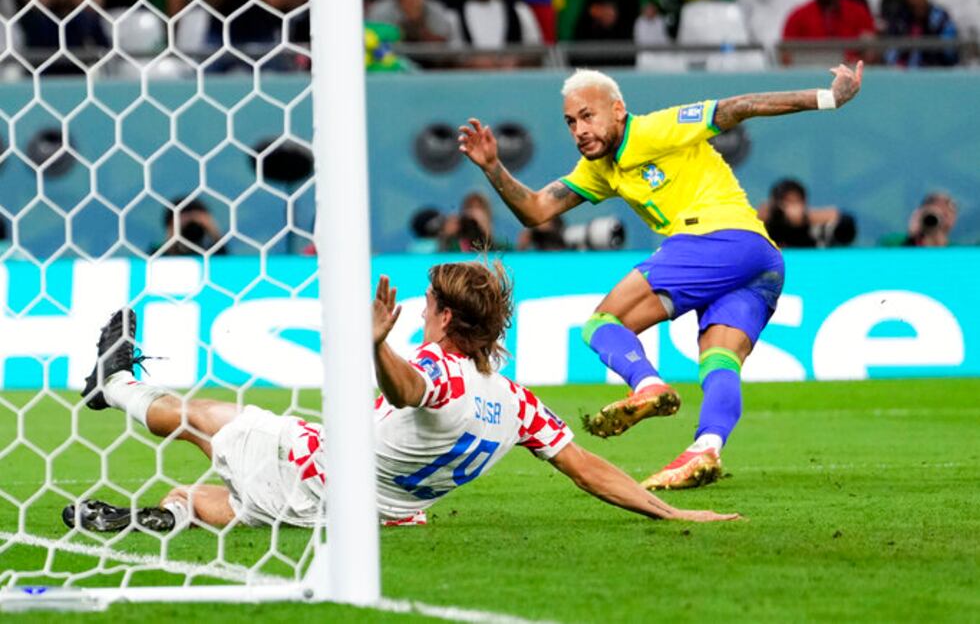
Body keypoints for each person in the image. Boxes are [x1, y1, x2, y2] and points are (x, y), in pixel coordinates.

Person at [67, 272, 739, 531]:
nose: (422, 312)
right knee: (207, 497)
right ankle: (165, 518)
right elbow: (587, 466)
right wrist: (668, 507)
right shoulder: (517, 404)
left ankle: (114, 385)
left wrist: (376, 347)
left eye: (429, 306)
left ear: (444, 318)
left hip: (317, 470)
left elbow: (411, 389)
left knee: (208, 419)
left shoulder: (431, 371)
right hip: (370, 517)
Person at [458, 62, 864, 489]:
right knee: (719, 360)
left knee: (602, 323)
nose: (579, 130)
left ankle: (648, 385)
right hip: (762, 260)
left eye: (588, 116)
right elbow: (537, 210)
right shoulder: (601, 169)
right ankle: (706, 449)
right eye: (570, 121)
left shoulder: (657, 129)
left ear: (618, 110)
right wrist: (492, 168)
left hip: (717, 239)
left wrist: (828, 97)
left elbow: (741, 107)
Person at [883, 0, 959, 67]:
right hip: (902, 78)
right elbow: (889, 54)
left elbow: (951, 52)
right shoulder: (895, 17)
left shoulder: (941, 17)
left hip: (937, 75)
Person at [760, 179, 857, 249]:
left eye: (794, 202)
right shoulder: (764, 229)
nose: (790, 209)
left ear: (804, 203)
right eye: (785, 203)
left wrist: (808, 218)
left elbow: (847, 232)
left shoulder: (817, 229)